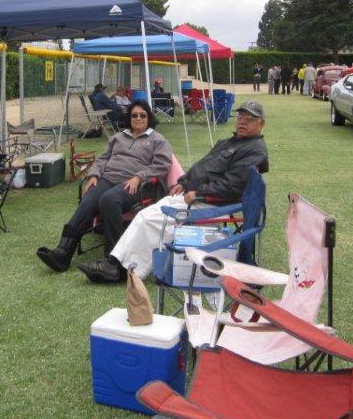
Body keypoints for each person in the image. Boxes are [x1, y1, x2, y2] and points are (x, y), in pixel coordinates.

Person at [78, 100, 269, 283]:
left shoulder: (254, 150)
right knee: (145, 215)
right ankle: (115, 262)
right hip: (195, 195)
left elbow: (232, 186)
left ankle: (124, 270)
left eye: (249, 119)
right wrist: (184, 183)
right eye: (240, 117)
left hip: (211, 202)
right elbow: (203, 167)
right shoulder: (230, 142)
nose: (242, 122)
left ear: (261, 124)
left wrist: (199, 194)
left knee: (152, 221)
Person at [36, 101, 173, 273]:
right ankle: (63, 251)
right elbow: (103, 159)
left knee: (109, 200)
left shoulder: (157, 140)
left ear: (149, 118)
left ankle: (114, 262)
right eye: (134, 115)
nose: (138, 118)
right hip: (108, 179)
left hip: (134, 184)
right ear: (129, 118)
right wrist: (94, 175)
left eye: (142, 115)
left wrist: (139, 176)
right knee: (90, 198)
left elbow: (162, 165)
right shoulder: (118, 137)